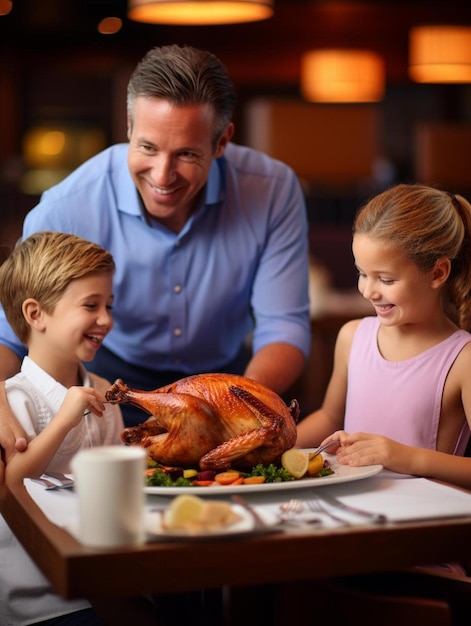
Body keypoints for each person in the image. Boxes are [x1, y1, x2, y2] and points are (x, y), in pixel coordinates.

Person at [0, 44, 310, 446]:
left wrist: (230, 409)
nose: (163, 176)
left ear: (221, 142)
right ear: (129, 126)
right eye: (147, 147)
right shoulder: (66, 207)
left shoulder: (272, 190)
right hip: (107, 391)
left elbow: (283, 325)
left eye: (185, 154)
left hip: (232, 385)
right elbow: (10, 334)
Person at [297, 183, 471, 495]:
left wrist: (401, 455)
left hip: (422, 523)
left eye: (386, 279)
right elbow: (330, 417)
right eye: (362, 273)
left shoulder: (463, 359)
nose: (368, 291)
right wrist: (272, 444)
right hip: (353, 508)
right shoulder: (353, 336)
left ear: (437, 273)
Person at [0, 231, 124, 625]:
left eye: (109, 305)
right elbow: (13, 485)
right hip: (39, 600)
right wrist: (65, 417)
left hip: (101, 583)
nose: (106, 320)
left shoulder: (103, 391)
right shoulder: (14, 398)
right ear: (36, 314)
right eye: (91, 305)